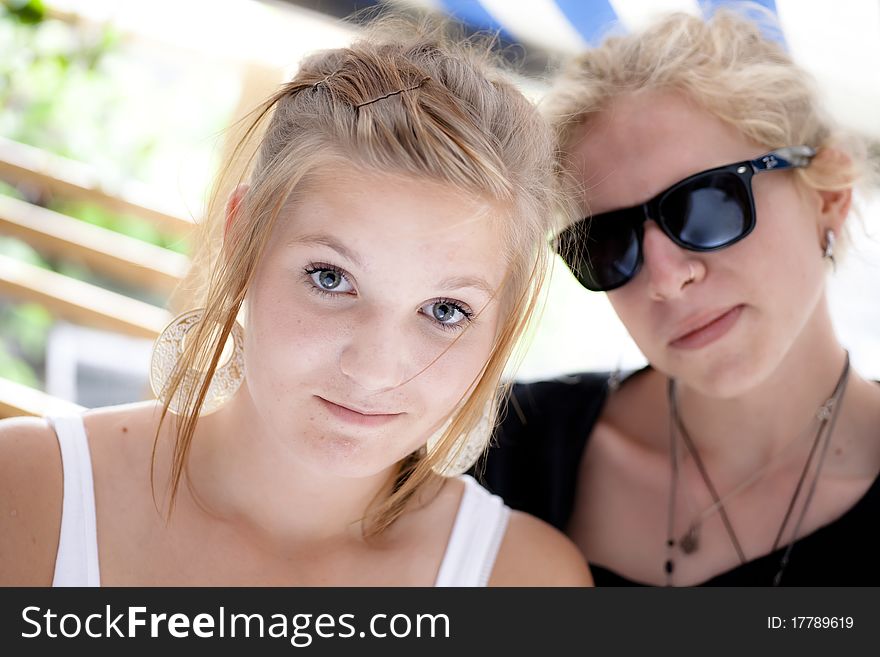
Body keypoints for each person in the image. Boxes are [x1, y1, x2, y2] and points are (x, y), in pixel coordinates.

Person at [0, 21, 591, 587]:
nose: (375, 369)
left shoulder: (528, 583)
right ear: (242, 239)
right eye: (330, 278)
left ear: (505, 326)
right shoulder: (25, 494)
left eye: (445, 311)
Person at [481, 8, 880, 585]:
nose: (666, 278)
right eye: (609, 242)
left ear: (830, 196)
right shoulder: (499, 449)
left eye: (706, 205)